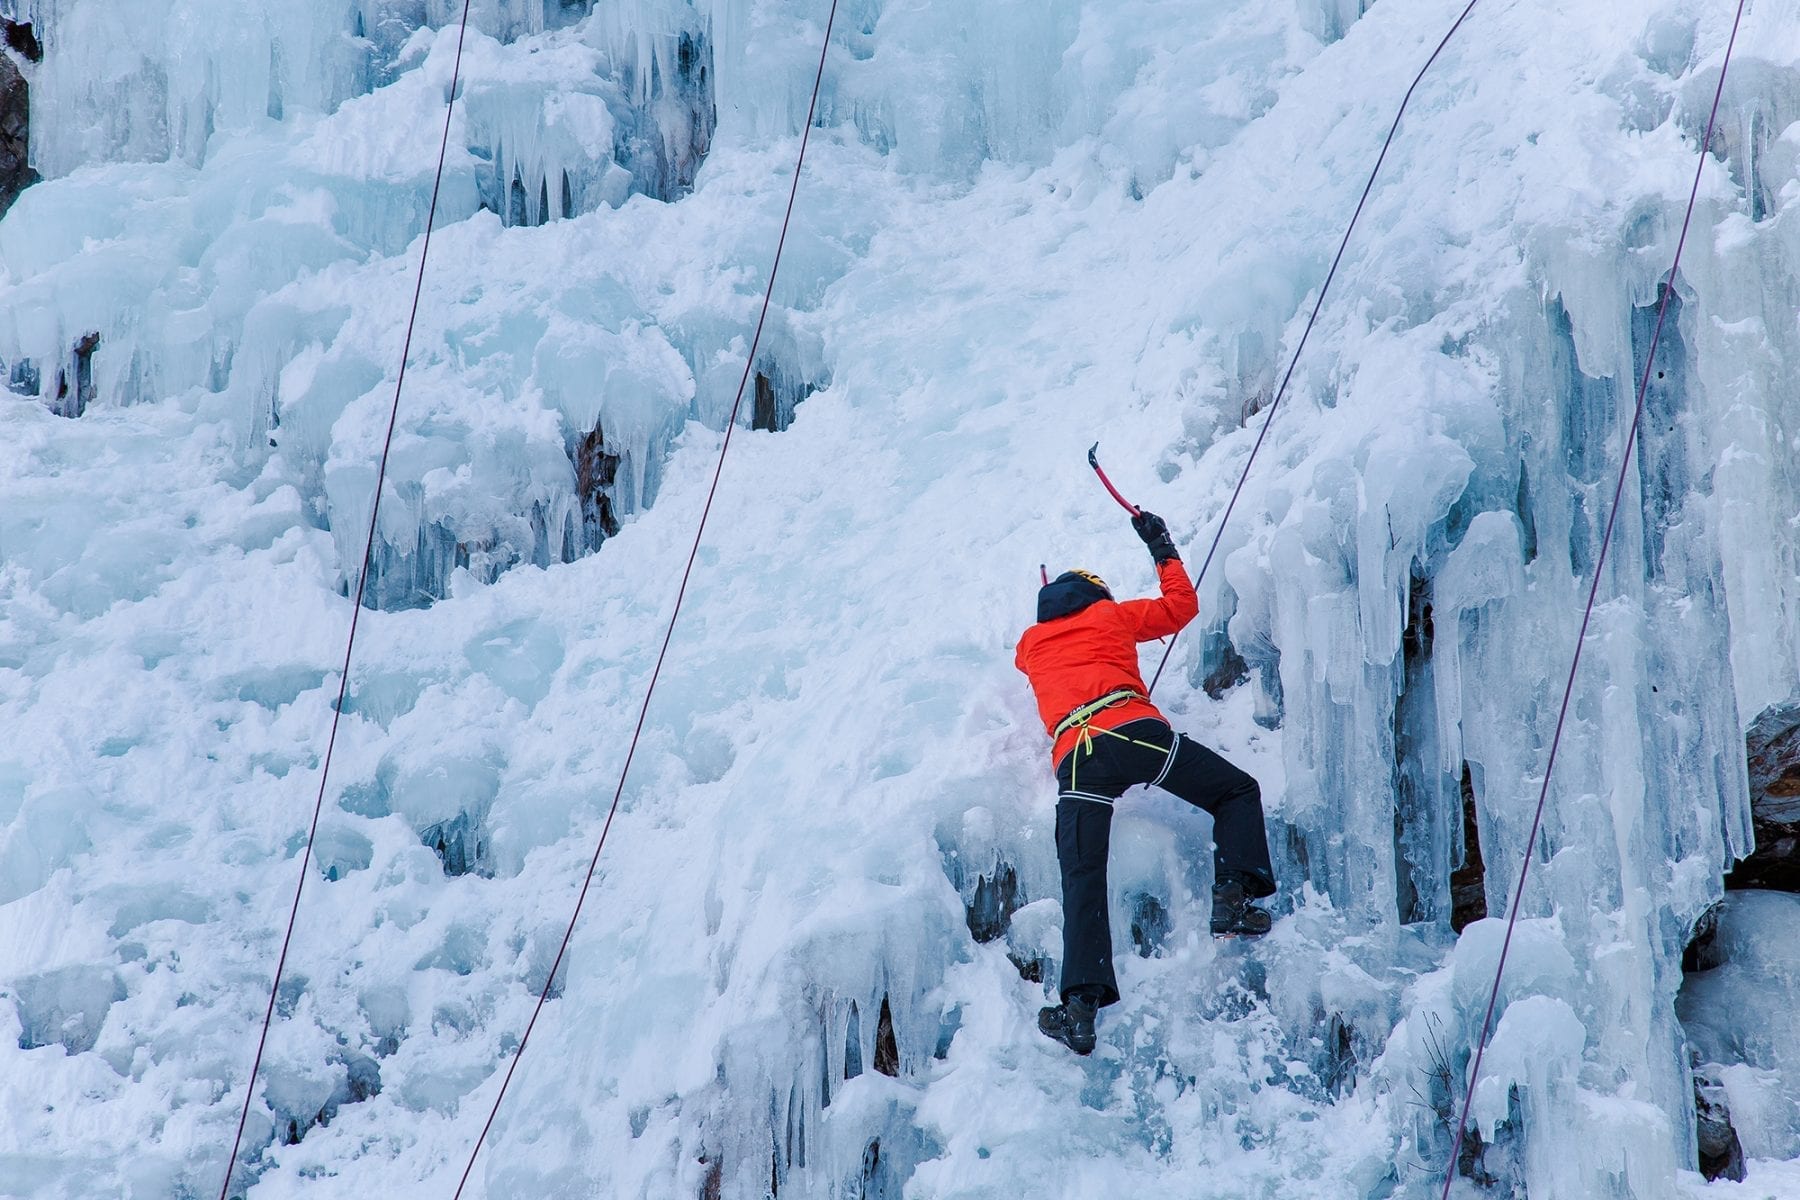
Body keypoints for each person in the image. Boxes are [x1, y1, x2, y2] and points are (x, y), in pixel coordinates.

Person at [1014, 510, 1277, 1056]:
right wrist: (1161, 548)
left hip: (1079, 756)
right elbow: (1181, 608)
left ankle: (1080, 1010)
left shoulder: (1030, 645)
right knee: (1235, 791)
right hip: (1136, 733)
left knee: (1082, 876)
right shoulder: (1110, 618)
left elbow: (1044, 649)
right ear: (1096, 597)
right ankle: (1231, 895)